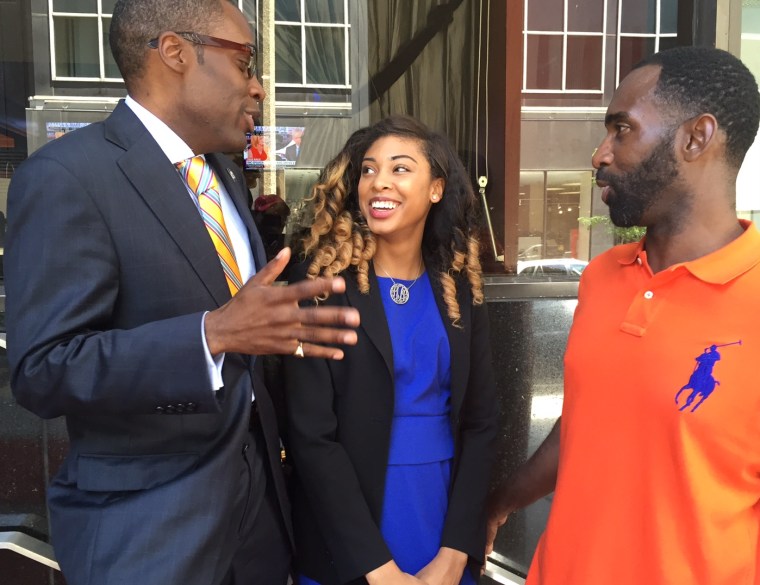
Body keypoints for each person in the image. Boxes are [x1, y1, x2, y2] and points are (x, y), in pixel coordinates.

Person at [4, 1, 360, 584]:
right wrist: (211, 336)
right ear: (175, 53)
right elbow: (42, 369)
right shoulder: (68, 176)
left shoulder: (224, 178)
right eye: (244, 62)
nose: (259, 88)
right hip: (146, 532)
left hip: (261, 525)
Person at [486, 46, 760, 585]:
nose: (599, 154)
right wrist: (499, 504)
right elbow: (589, 422)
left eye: (622, 130)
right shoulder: (602, 277)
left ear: (696, 137)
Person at [283, 115, 498, 585]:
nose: (380, 182)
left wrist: (457, 550)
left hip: (441, 518)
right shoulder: (322, 284)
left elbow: (482, 423)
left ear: (436, 189)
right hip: (349, 534)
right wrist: (377, 570)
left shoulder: (458, 288)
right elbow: (310, 436)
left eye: (401, 169)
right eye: (368, 170)